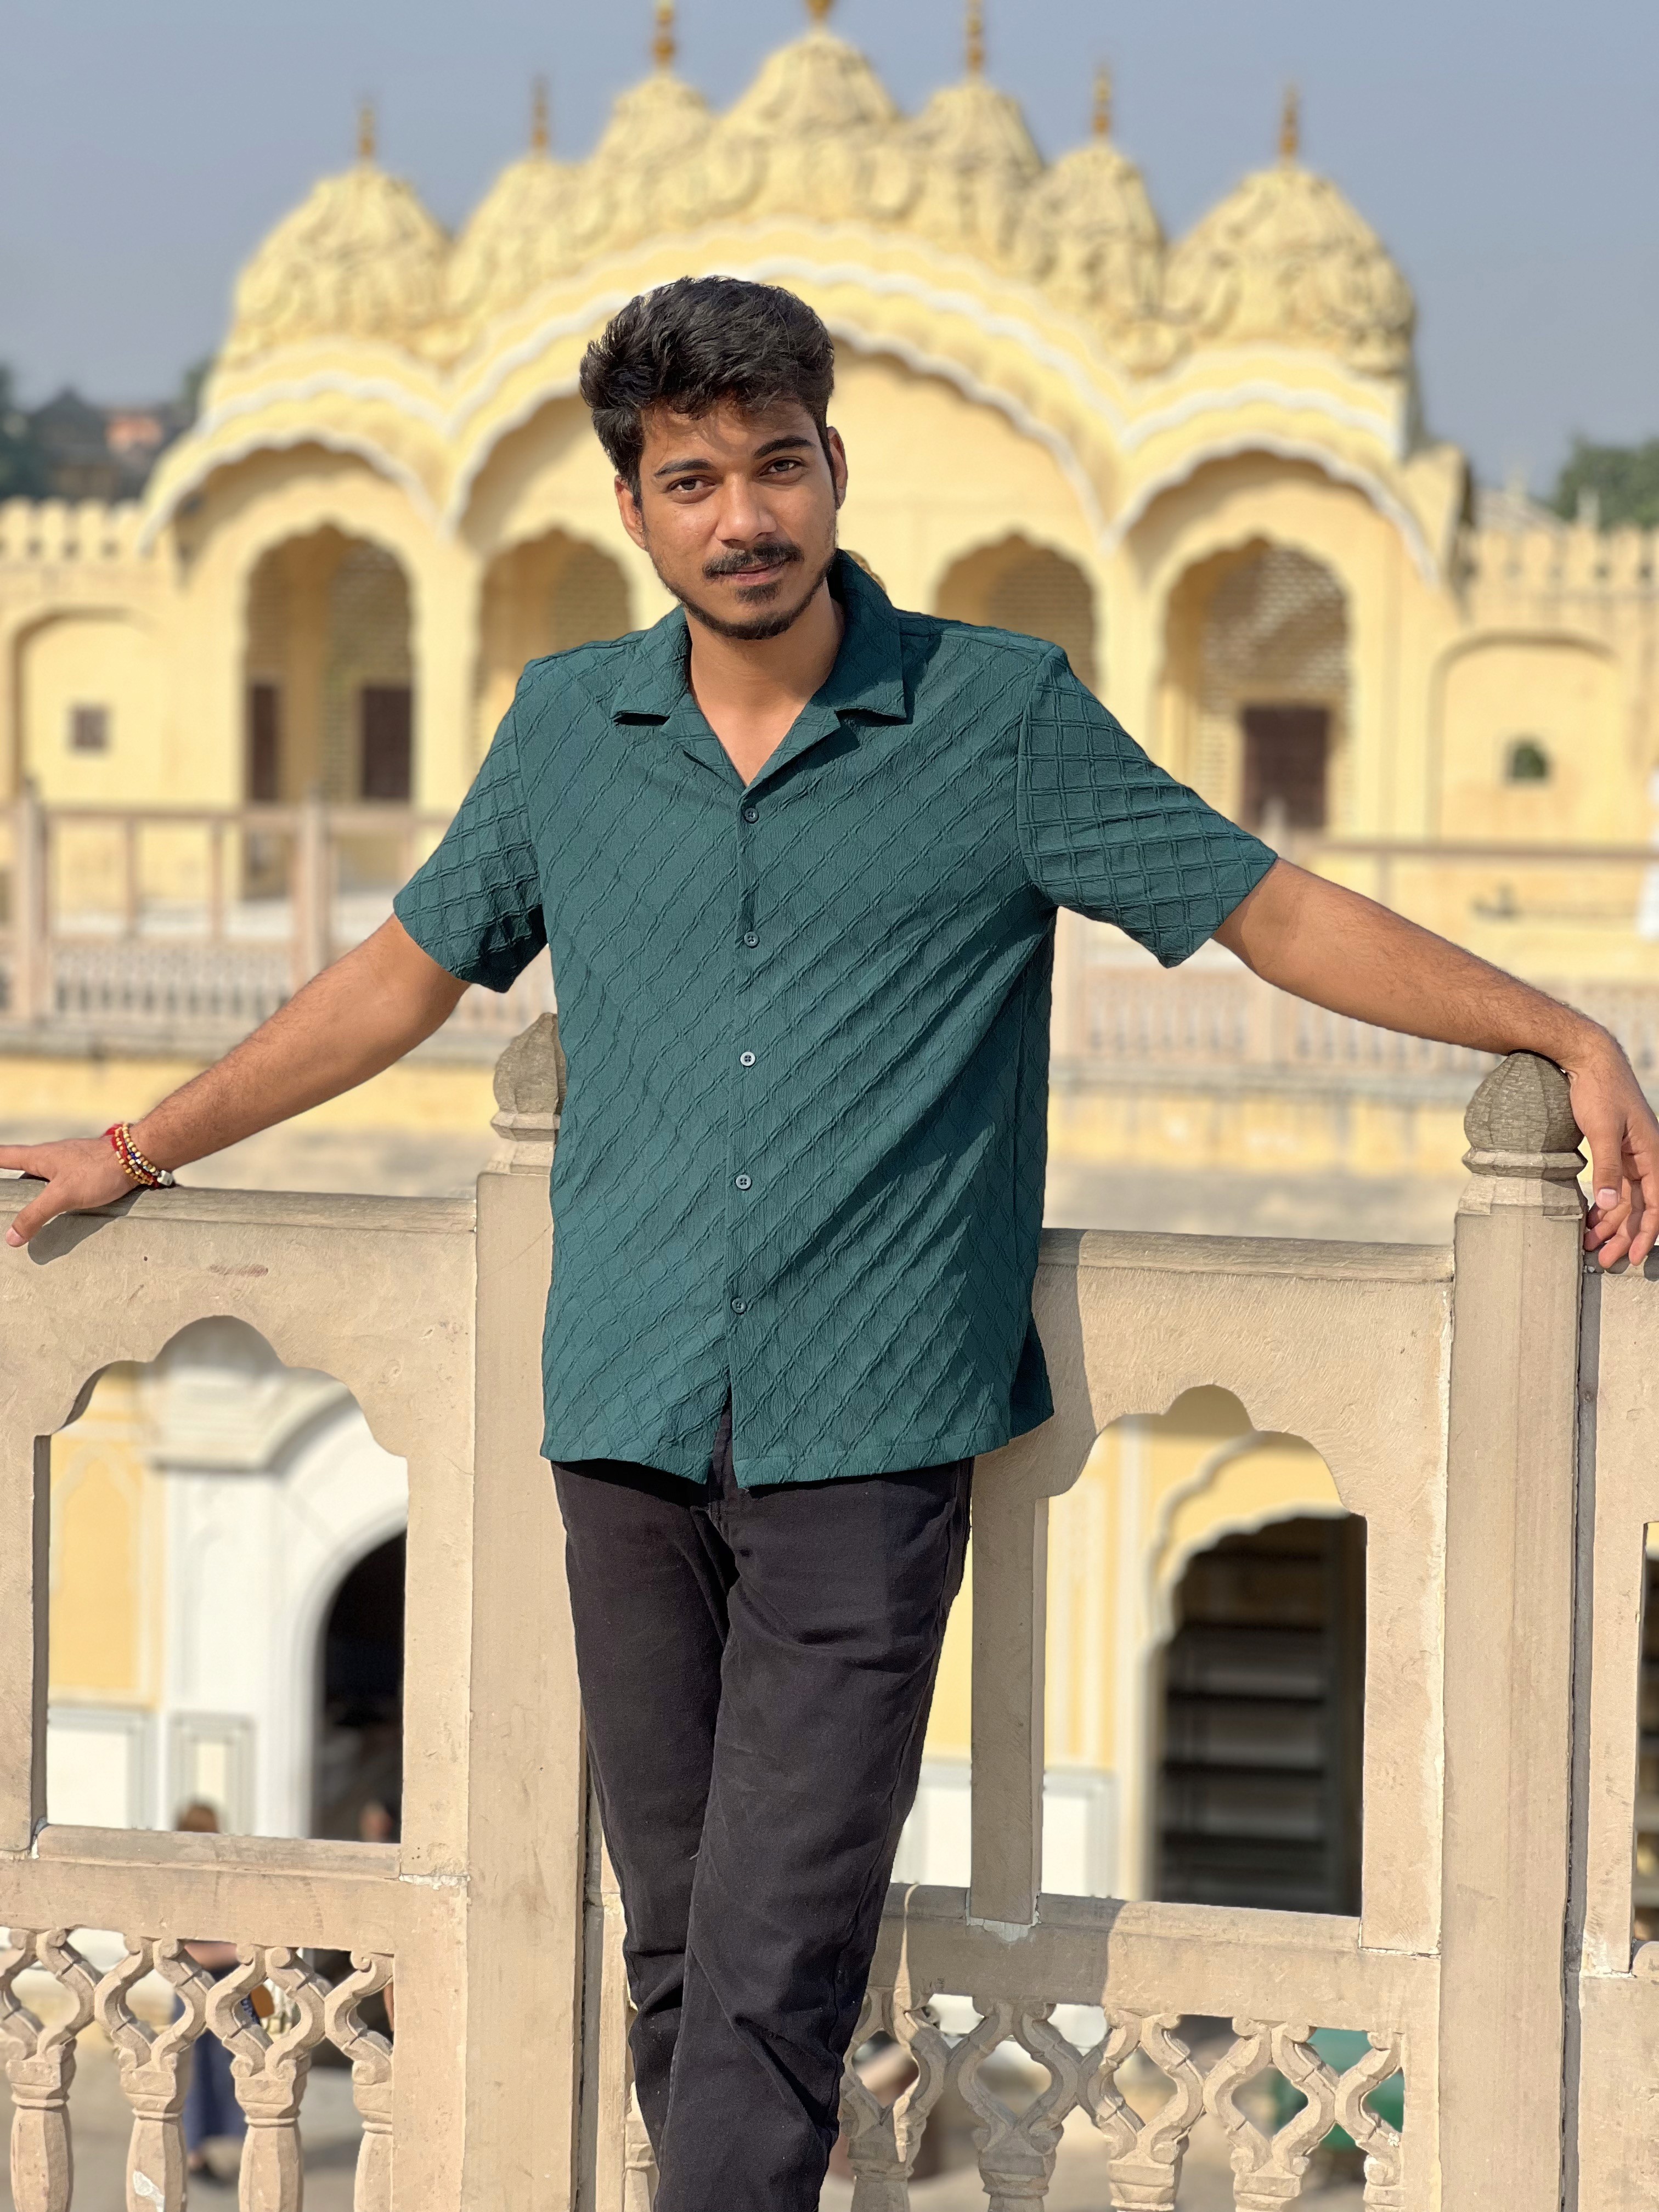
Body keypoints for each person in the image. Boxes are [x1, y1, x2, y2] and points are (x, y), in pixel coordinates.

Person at [4, 276, 1657, 2211]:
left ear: (833, 464)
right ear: (633, 508)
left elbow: (1259, 908)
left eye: (776, 464)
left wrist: (1553, 1027)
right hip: (620, 1414)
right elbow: (394, 980)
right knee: (682, 1955)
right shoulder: (570, 732)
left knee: (773, 1972)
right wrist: (136, 1143)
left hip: (865, 1437)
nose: (745, 516)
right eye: (692, 478)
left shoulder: (995, 715)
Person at [173, 1801, 249, 2185]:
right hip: (195, 1991)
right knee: (194, 2074)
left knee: (229, 2068)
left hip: (225, 1990)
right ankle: (193, 2156)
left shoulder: (216, 1879)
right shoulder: (184, 1883)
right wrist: (235, 1951)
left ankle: (223, 2145)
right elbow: (181, 1952)